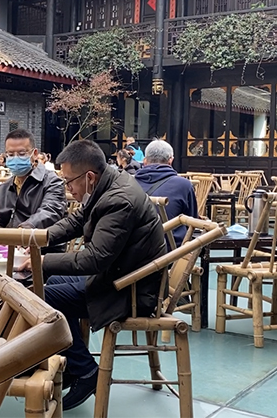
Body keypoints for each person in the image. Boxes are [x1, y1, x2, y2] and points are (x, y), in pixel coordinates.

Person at [18, 140, 165, 410]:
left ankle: (86, 371)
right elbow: (78, 220)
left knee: (44, 297)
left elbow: (96, 258)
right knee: (52, 283)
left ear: (89, 177)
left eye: (68, 181)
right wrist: (41, 237)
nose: (68, 188)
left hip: (130, 290)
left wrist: (43, 261)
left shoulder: (119, 200)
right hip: (120, 275)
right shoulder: (108, 183)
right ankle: (73, 362)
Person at [0, 129, 67, 239]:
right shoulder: (4, 187)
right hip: (11, 244)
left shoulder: (53, 181)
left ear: (34, 154)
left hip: (43, 244)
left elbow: (50, 211)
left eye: (21, 154)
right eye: (10, 154)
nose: (15, 158)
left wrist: (25, 229)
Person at [134, 140, 198, 248]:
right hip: (171, 251)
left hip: (133, 251)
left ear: (145, 161)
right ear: (170, 160)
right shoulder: (183, 185)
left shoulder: (128, 183)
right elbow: (192, 221)